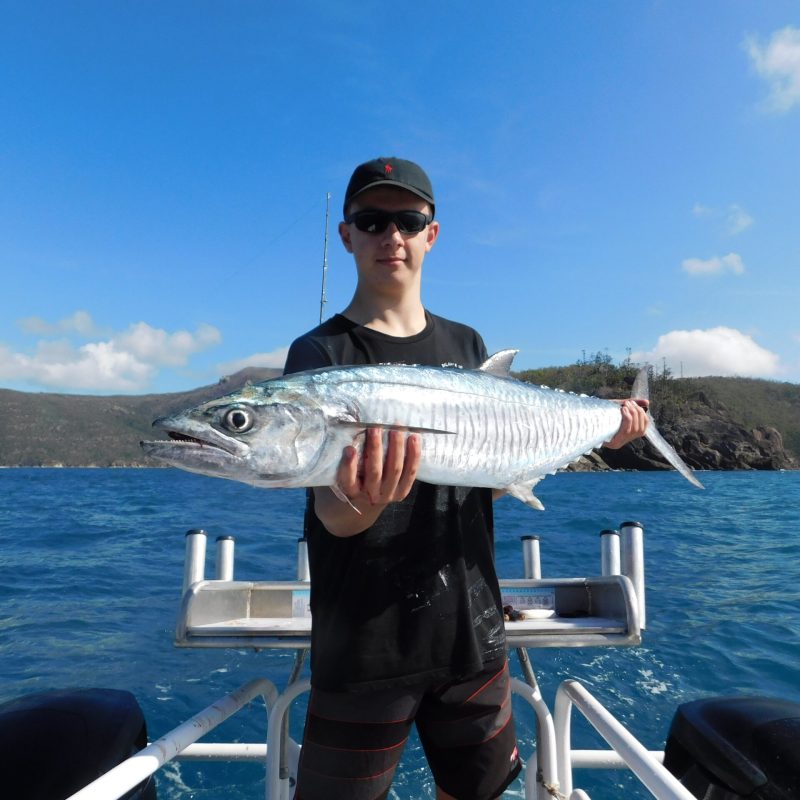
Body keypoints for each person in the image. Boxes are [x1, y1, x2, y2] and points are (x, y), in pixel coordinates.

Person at [283, 157, 648, 800]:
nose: (390, 235)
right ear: (346, 235)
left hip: (471, 634)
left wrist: (604, 430)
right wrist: (366, 503)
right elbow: (332, 513)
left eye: (408, 220)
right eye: (372, 220)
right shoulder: (320, 356)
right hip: (362, 644)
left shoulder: (468, 344)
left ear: (432, 233)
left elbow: (490, 471)